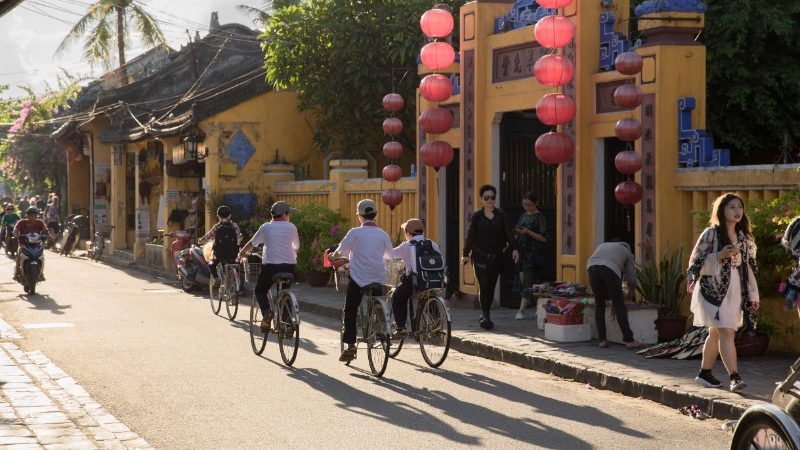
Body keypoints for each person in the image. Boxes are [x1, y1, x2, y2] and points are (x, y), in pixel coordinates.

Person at [687, 193, 759, 392]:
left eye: (740, 207)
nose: (737, 211)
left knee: (716, 332)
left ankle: (704, 373)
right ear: (722, 210)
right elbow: (695, 262)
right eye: (732, 207)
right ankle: (735, 377)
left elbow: (749, 269)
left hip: (735, 290)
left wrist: (753, 294)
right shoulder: (710, 234)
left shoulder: (745, 238)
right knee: (726, 331)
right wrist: (719, 255)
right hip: (712, 291)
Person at [332, 199, 394, 363]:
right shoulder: (383, 234)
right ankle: (380, 323)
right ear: (375, 215)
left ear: (359, 215)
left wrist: (332, 256)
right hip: (379, 277)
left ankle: (351, 345)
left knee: (350, 309)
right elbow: (390, 256)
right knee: (377, 298)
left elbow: (340, 251)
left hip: (359, 278)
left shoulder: (355, 233)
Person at [461, 185, 519, 330]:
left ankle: (484, 312)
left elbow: (508, 232)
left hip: (496, 257)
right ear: (481, 199)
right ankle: (486, 316)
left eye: (492, 197)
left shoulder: (501, 215)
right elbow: (470, 236)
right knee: (483, 284)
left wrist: (514, 248)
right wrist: (465, 254)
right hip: (479, 256)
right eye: (486, 198)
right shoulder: (477, 216)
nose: (489, 200)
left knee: (491, 287)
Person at [238, 201, 300, 331]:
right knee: (284, 292)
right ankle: (287, 323)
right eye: (288, 214)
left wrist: (241, 253)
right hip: (289, 267)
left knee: (260, 290)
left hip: (271, 267)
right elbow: (296, 246)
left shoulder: (266, 227)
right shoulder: (292, 227)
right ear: (284, 215)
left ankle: (266, 312)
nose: (289, 216)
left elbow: (252, 243)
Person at [587, 241, 644, 349]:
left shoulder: (603, 245)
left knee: (600, 304)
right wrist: (631, 293)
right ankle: (629, 340)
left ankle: (602, 340)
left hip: (591, 268)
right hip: (609, 269)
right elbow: (631, 278)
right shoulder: (627, 252)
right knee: (619, 305)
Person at [390, 218, 441, 337]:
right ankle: (436, 317)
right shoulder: (432, 244)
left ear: (408, 232)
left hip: (414, 281)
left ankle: (401, 328)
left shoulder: (407, 246)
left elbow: (389, 255)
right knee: (428, 292)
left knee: (397, 297)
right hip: (433, 279)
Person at [514, 192, 548, 319]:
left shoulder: (540, 218)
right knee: (524, 281)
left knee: (529, 281)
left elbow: (543, 238)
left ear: (535, 203)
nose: (526, 207)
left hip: (534, 254)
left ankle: (521, 311)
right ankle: (537, 305)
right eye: (524, 204)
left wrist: (528, 232)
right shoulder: (523, 215)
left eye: (529, 204)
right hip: (522, 252)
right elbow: (517, 230)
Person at [198, 206, 242, 298]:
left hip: (219, 254)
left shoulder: (217, 227)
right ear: (230, 216)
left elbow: (207, 237)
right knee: (236, 265)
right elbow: (239, 239)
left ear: (218, 216)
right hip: (233, 254)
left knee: (211, 264)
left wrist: (200, 241)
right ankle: (236, 285)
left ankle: (216, 279)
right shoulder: (234, 226)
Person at [13, 207, 48, 280]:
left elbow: (45, 230)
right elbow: (15, 230)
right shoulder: (21, 222)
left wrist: (48, 235)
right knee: (20, 254)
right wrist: (16, 235)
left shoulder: (40, 222)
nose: (32, 217)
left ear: (36, 215)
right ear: (27, 215)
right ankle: (16, 273)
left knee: (41, 256)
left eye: (34, 215)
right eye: (30, 215)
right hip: (24, 244)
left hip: (36, 244)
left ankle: (41, 273)